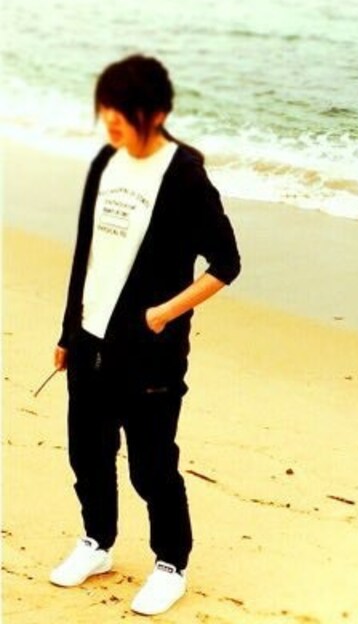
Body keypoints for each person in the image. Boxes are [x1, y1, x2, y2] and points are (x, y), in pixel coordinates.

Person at [49, 54, 241, 616]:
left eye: (123, 109)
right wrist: (69, 331)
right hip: (90, 341)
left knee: (151, 466)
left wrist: (163, 314)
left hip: (150, 352)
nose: (110, 118)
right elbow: (87, 254)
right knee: (87, 454)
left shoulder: (184, 174)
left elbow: (227, 263)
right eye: (106, 106)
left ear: (155, 113)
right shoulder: (105, 162)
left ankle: (170, 564)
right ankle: (97, 542)